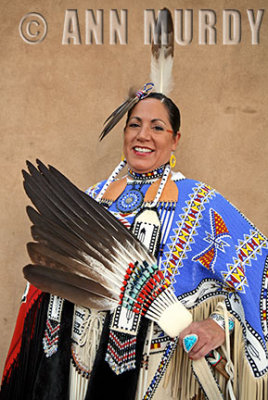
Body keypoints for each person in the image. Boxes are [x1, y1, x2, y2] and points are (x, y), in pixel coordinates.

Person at [1, 89, 267, 400]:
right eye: (134, 125)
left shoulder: (199, 204)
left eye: (157, 127)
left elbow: (259, 274)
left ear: (175, 139)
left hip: (161, 376)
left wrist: (221, 323)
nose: (143, 136)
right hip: (75, 373)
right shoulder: (92, 199)